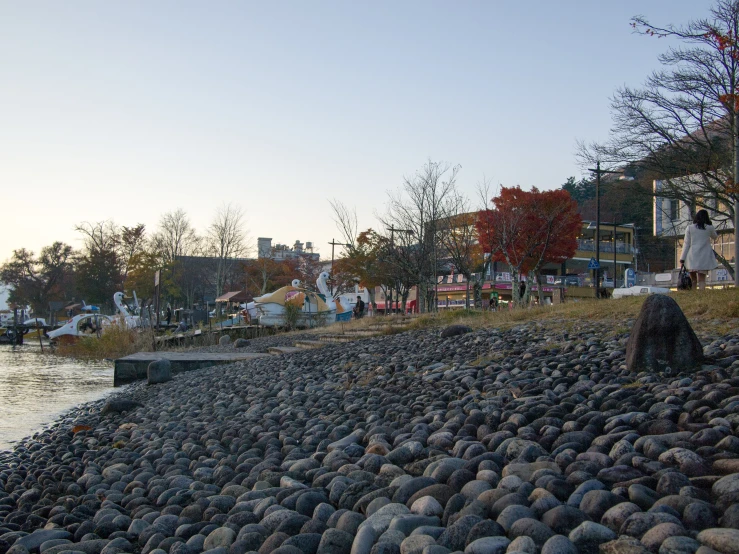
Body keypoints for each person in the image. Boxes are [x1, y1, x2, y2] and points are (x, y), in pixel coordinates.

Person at [680, 209, 718, 291]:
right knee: (702, 279)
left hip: (692, 256)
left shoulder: (690, 228)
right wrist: (710, 225)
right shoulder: (709, 228)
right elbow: (715, 237)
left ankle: (694, 293)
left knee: (693, 279)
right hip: (704, 256)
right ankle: (701, 293)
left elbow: (686, 244)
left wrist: (682, 258)